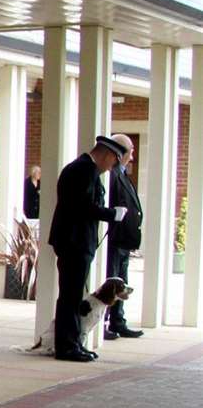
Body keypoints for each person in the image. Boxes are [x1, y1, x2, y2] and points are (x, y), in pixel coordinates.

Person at [47, 136, 129, 361]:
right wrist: (111, 214)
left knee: (73, 296)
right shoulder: (83, 170)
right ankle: (66, 347)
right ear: (108, 155)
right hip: (74, 241)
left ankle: (73, 342)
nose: (111, 167)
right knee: (70, 297)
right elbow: (82, 207)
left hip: (76, 241)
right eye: (113, 162)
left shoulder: (83, 169)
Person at [104, 134, 144, 340]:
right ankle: (105, 322)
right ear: (120, 153)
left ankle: (118, 321)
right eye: (131, 150)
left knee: (122, 281)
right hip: (114, 239)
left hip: (124, 241)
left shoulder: (122, 173)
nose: (133, 155)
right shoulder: (111, 175)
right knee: (112, 280)